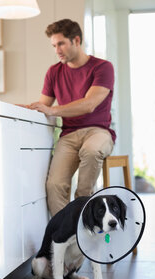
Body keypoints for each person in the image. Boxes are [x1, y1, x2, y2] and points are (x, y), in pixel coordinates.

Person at [18, 19, 116, 217]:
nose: (57, 50)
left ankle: (84, 214)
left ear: (76, 40)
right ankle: (66, 233)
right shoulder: (54, 72)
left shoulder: (103, 67)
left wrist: (53, 111)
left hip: (98, 131)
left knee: (91, 151)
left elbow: (89, 104)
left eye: (61, 44)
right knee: (54, 185)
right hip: (69, 135)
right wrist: (15, 108)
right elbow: (42, 106)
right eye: (54, 45)